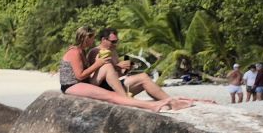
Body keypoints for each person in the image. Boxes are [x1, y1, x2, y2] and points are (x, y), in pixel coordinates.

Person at [58, 26, 193, 112]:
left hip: (92, 82)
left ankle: (171, 102)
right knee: (111, 89)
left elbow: (99, 73)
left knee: (141, 78)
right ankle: (149, 105)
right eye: (92, 38)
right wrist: (100, 63)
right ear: (85, 38)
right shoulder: (77, 52)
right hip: (72, 85)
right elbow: (80, 76)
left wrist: (124, 68)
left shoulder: (83, 51)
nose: (93, 41)